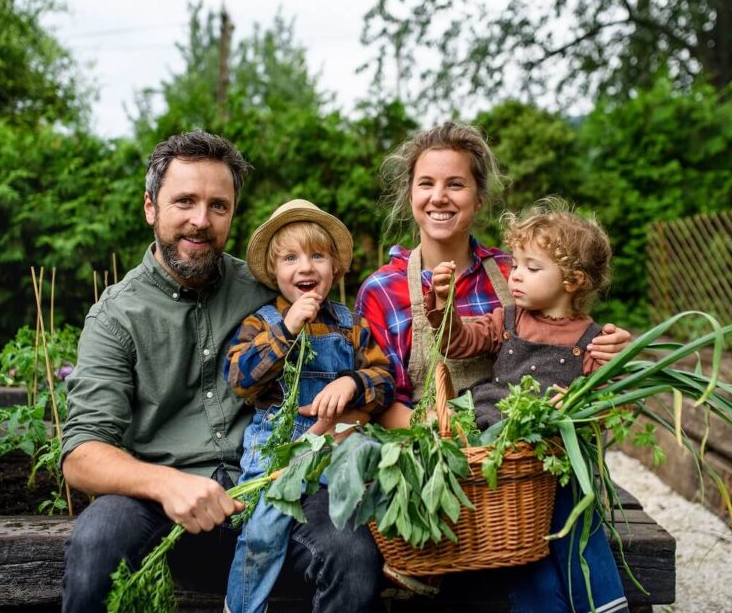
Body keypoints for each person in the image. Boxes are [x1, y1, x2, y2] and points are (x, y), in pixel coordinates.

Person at [60, 132, 383, 613]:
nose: (200, 221)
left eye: (218, 206)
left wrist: (349, 411)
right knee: (96, 539)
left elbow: (352, 358)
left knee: (351, 551)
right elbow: (81, 455)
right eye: (184, 202)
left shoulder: (266, 289)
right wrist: (167, 484)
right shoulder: (116, 317)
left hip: (275, 486)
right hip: (161, 504)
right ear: (151, 207)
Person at [348, 122, 632, 606]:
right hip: (436, 476)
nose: (440, 196)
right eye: (426, 183)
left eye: (455, 183)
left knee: (537, 573)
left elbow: (567, 339)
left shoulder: (516, 272)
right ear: (411, 195)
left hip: (520, 485)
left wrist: (606, 352)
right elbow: (379, 400)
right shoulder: (382, 290)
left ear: (479, 199)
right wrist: (447, 440)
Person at [426, 196, 629, 613]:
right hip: (503, 453)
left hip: (554, 460)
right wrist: (444, 305)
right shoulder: (509, 318)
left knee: (577, 526)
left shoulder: (592, 340)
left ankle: (603, 604)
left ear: (572, 281)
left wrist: (594, 392)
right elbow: (458, 343)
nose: (516, 276)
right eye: (515, 264)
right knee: (524, 550)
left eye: (532, 268)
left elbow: (611, 407)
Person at [224, 199, 394, 613]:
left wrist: (354, 383)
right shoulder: (262, 322)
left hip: (335, 448)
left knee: (368, 510)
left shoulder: (351, 325)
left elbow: (385, 382)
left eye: (318, 256)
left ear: (335, 267)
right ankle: (242, 606)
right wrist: (287, 329)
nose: (305, 267)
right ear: (274, 270)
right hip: (277, 452)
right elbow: (240, 379)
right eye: (290, 258)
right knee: (263, 530)